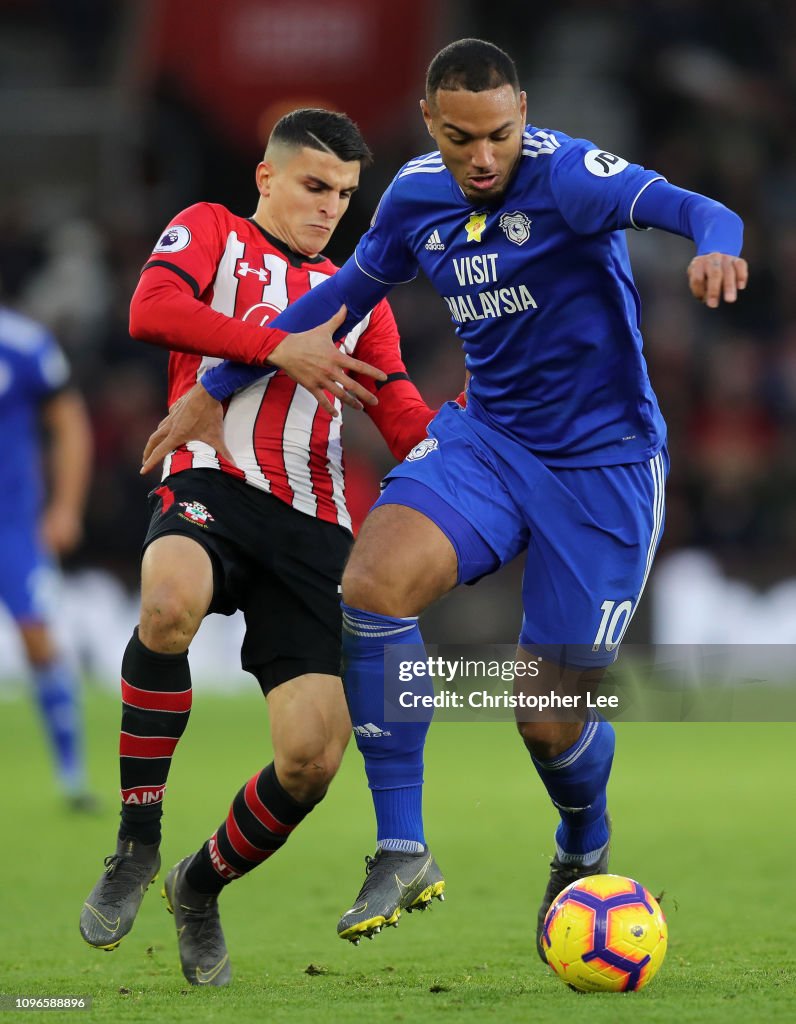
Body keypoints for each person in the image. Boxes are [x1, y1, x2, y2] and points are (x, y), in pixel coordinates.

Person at [142, 39, 748, 959]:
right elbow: (342, 294)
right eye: (462, 138)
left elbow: (700, 208)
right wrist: (218, 382)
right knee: (374, 582)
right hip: (488, 440)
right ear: (432, 124)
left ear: (524, 115)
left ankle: (583, 842)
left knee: (544, 715)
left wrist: (716, 250)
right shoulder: (418, 194)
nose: (483, 158)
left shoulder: (571, 176)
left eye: (500, 135)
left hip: (605, 466)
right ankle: (402, 847)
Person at [79, 108, 448, 987]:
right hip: (209, 481)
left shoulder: (364, 297)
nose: (330, 209)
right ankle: (136, 842)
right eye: (316, 187)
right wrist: (280, 348)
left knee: (312, 760)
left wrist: (467, 480)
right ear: (267, 177)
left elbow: (399, 412)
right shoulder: (210, 230)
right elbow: (152, 308)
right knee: (168, 604)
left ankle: (197, 884)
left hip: (315, 524)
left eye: (347, 196)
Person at [0, 305, 94, 808]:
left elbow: (70, 424)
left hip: (11, 525)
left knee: (39, 640)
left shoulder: (22, 343)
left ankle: (72, 775)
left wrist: (65, 507)